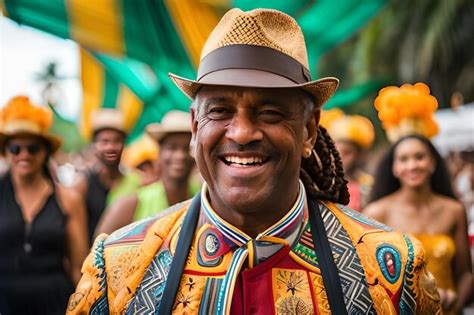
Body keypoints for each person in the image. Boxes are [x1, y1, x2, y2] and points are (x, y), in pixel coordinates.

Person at [67, 9, 441, 314]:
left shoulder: (389, 270)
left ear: (309, 130)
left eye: (270, 112)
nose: (242, 133)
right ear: (195, 127)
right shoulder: (119, 267)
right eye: (220, 110)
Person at [364, 83, 472, 314]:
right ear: (393, 168)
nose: (412, 165)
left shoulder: (453, 210)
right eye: (403, 159)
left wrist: (453, 305)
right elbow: (368, 279)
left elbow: (465, 274)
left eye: (419, 157)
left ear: (433, 162)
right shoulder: (376, 213)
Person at [0, 96, 88, 314]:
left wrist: (84, 306)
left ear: (45, 152)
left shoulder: (68, 199)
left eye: (32, 148)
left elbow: (79, 266)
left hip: (54, 302)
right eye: (15, 149)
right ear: (5, 152)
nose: (24, 155)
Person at [95, 110, 198, 235]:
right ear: (159, 152)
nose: (180, 156)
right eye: (172, 147)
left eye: (188, 148)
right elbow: (97, 250)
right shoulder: (131, 204)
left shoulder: (203, 198)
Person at [73, 109, 141, 244]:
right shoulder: (82, 184)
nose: (111, 147)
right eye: (104, 141)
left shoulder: (135, 182)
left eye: (117, 141)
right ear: (94, 145)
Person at [320, 109, 375, 211]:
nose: (339, 156)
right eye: (335, 150)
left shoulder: (368, 186)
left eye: (347, 152)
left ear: (358, 156)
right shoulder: (319, 184)